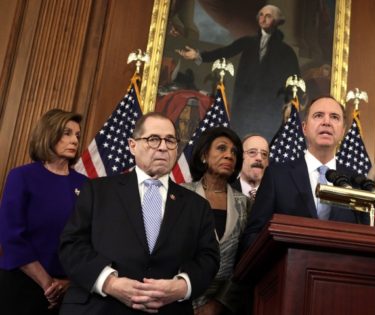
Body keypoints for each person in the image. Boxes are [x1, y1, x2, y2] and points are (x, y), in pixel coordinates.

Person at [59, 112, 220, 315]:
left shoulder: (197, 206)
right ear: (132, 145)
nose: (163, 147)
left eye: (170, 140)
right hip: (99, 307)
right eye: (153, 139)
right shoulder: (97, 191)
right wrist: (109, 282)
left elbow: (209, 258)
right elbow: (71, 245)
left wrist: (182, 286)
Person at [240, 96, 369, 250]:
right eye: (318, 115)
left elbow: (364, 240)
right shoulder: (277, 176)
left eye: (334, 117)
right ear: (305, 128)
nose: (326, 122)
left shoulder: (355, 183)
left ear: (342, 131)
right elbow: (253, 236)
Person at [0, 109, 86, 314]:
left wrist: (68, 283)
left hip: (67, 292)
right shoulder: (22, 176)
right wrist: (47, 283)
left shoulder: (85, 185)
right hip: (21, 285)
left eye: (77, 135)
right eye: (67, 133)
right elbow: (11, 236)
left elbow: (90, 240)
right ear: (49, 133)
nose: (74, 140)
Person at [176, 4, 300, 140]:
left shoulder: (287, 52)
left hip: (270, 109)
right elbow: (225, 52)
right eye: (261, 15)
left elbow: (294, 81)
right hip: (244, 108)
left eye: (268, 16)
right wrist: (198, 56)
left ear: (276, 21)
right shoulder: (248, 42)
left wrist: (289, 104)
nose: (263, 19)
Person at [182, 126, 250, 315]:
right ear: (204, 154)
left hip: (223, 306)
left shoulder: (245, 204)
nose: (229, 155)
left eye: (234, 152)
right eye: (221, 148)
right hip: (179, 298)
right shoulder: (180, 194)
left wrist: (219, 303)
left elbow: (245, 261)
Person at [231, 134, 269, 200]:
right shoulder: (226, 192)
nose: (259, 158)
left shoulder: (280, 196)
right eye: (252, 152)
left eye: (264, 154)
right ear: (240, 157)